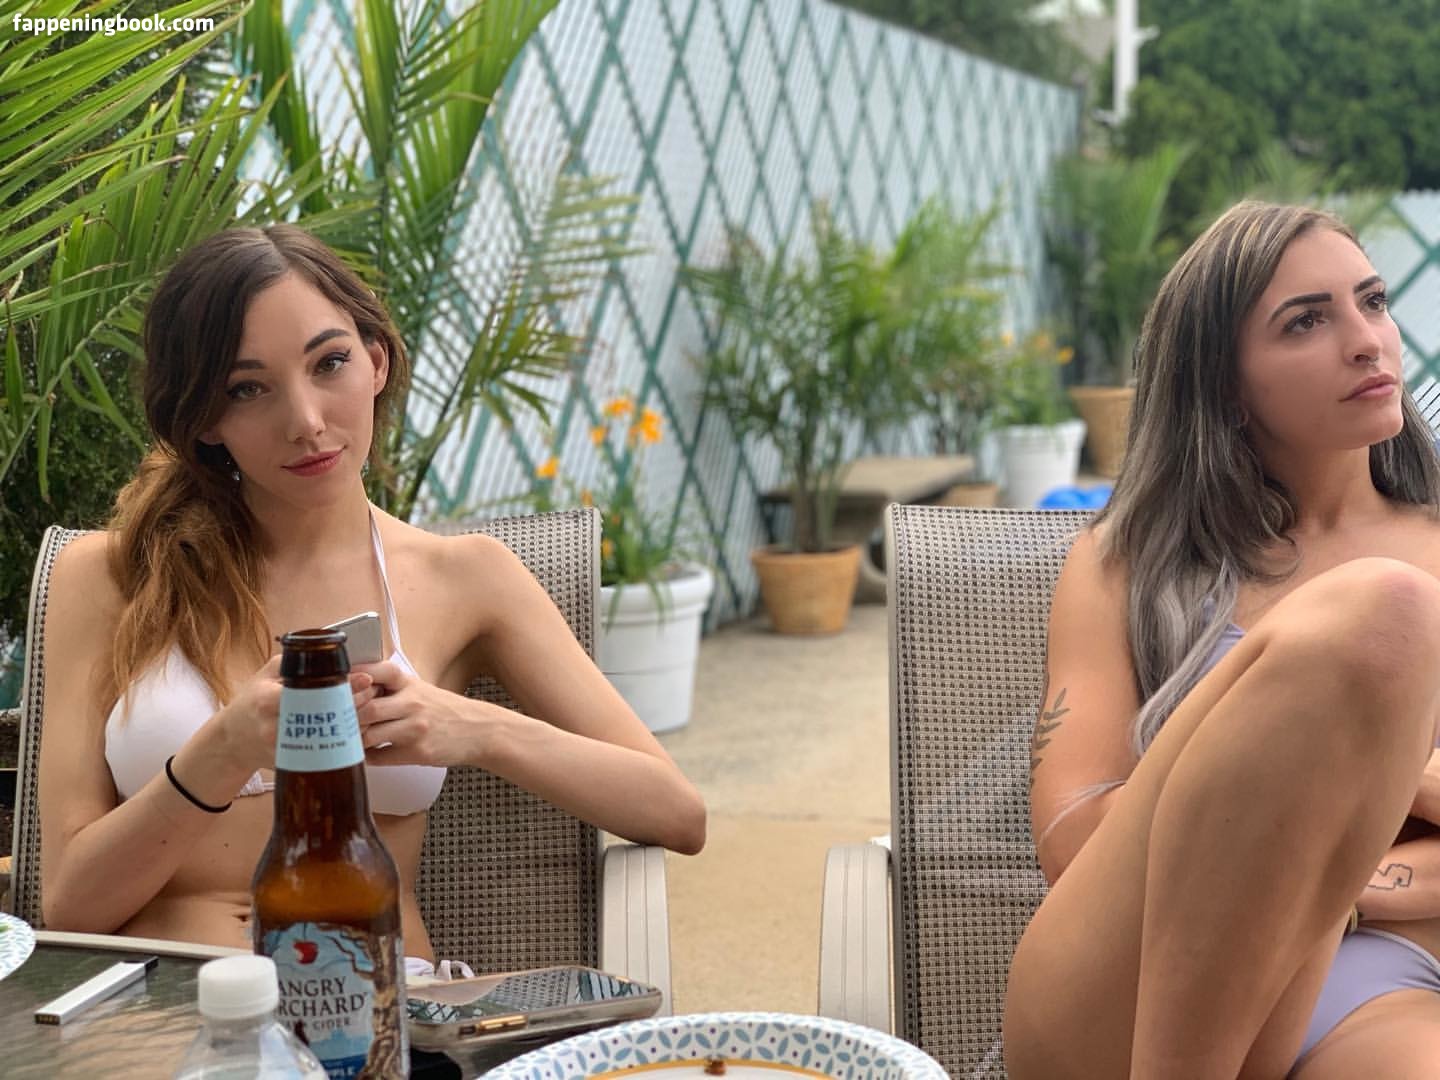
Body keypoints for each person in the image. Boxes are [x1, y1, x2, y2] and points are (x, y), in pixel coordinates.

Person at [38, 225, 706, 969]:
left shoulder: (466, 578)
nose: (306, 422)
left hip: (381, 1007)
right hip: (176, 1011)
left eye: (329, 363)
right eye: (246, 388)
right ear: (203, 420)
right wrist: (224, 748)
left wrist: (473, 728)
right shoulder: (110, 576)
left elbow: (676, 812)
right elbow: (70, 906)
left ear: (377, 361)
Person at [1003, 201, 1440, 1079]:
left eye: (1373, 302)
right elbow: (1077, 841)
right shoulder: (1130, 562)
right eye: (1306, 321)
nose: (1367, 342)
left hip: (1379, 982)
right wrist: (1390, 791)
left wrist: (1318, 886)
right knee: (1386, 615)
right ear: (1225, 384)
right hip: (1130, 990)